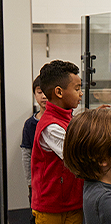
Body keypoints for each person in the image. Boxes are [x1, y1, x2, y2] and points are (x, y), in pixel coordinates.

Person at [31, 60, 84, 223]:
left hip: (73, 202)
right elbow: (77, 156)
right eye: (77, 89)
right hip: (52, 206)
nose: (81, 93)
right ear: (59, 92)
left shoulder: (68, 119)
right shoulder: (50, 126)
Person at [20, 76, 47, 224]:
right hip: (37, 181)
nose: (43, 96)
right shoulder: (30, 124)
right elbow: (26, 153)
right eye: (39, 92)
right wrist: (29, 180)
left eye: (46, 92)